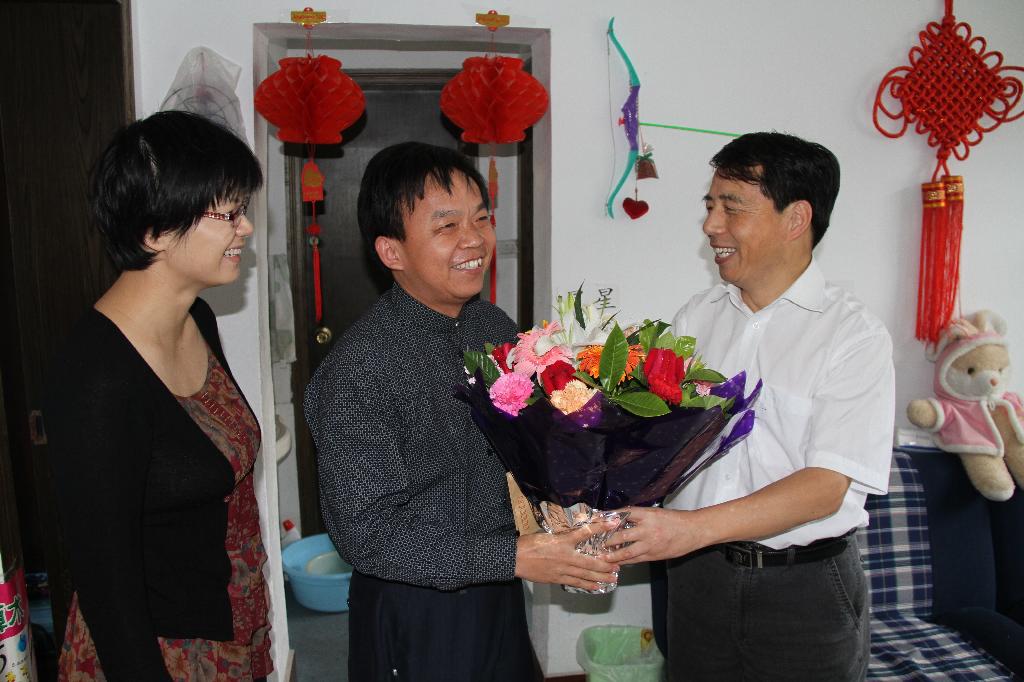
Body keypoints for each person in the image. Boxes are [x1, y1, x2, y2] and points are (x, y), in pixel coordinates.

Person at [304, 141, 619, 681]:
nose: (474, 239)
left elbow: (525, 443)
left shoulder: (491, 326)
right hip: (416, 606)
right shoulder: (358, 368)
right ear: (391, 252)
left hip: (500, 587)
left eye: (482, 218)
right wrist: (513, 557)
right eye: (447, 226)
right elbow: (367, 532)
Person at [608, 132, 895, 681]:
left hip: (803, 588)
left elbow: (825, 486)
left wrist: (691, 529)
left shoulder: (852, 336)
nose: (710, 225)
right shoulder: (696, 319)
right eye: (710, 205)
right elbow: (657, 440)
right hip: (698, 579)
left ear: (796, 219)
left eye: (731, 208)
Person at [45, 111, 271, 681]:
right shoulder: (94, 375)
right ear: (154, 232)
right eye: (229, 214)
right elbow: (106, 582)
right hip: (158, 655)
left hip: (227, 624)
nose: (245, 228)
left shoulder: (197, 318)